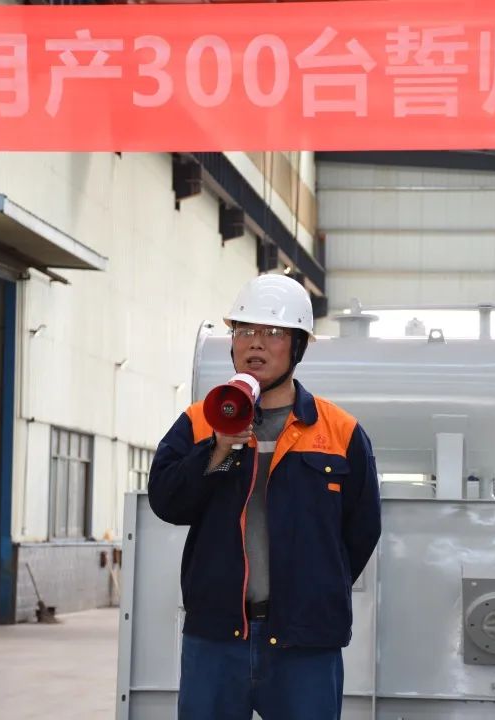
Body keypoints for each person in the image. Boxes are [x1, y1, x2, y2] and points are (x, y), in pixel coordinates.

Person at [148, 273, 382, 720]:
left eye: (273, 332)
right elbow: (167, 501)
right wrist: (217, 448)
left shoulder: (340, 431)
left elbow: (362, 530)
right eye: (244, 330)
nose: (255, 342)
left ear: (298, 346)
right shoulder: (199, 422)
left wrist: (314, 586)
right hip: (217, 637)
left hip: (304, 643)